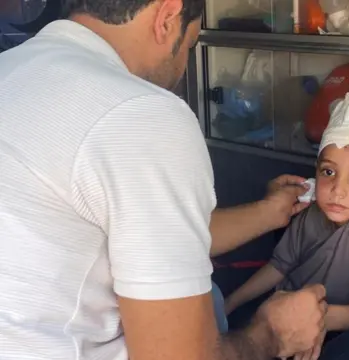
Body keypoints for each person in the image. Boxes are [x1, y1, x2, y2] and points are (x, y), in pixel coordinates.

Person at [0, 0, 327, 359]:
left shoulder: (12, 70)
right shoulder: (141, 113)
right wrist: (272, 335)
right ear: (168, 17)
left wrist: (269, 213)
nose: (183, 67)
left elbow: (147, 234)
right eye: (190, 46)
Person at [224, 90, 349, 357]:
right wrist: (230, 304)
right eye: (328, 172)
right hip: (280, 317)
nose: (336, 191)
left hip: (331, 335)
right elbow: (279, 266)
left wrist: (324, 318)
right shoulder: (313, 210)